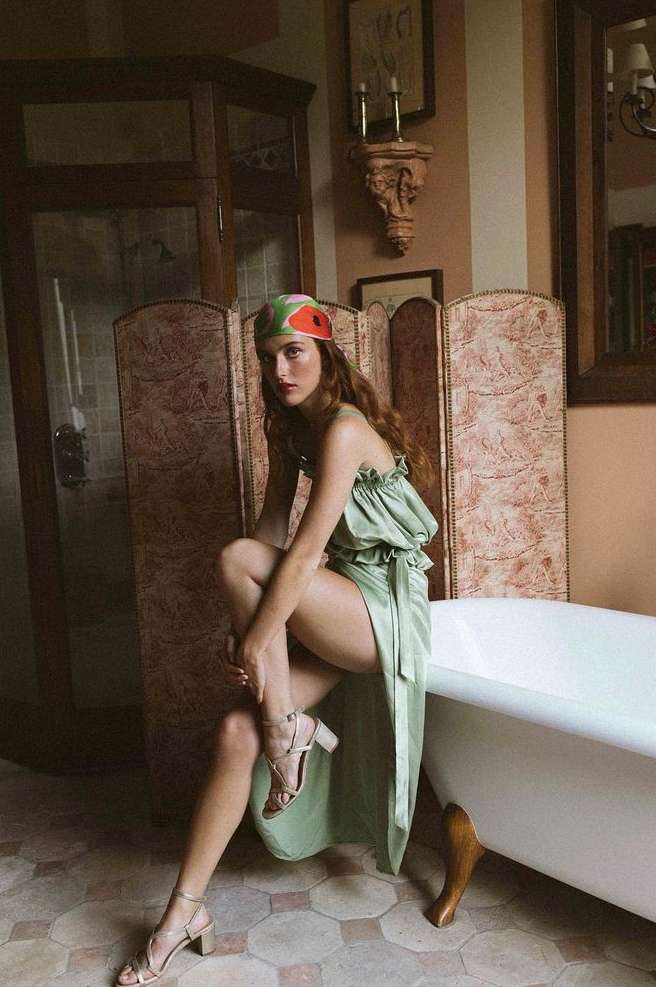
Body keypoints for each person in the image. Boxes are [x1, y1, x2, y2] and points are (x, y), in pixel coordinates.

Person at [116, 293, 439, 986]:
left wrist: (254, 641)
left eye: (294, 353)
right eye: (268, 358)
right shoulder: (291, 429)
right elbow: (270, 530)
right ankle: (183, 913)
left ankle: (286, 728)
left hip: (382, 614)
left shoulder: (345, 428)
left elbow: (301, 553)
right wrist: (247, 631)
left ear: (327, 355)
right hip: (333, 603)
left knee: (236, 559)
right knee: (237, 733)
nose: (281, 370)